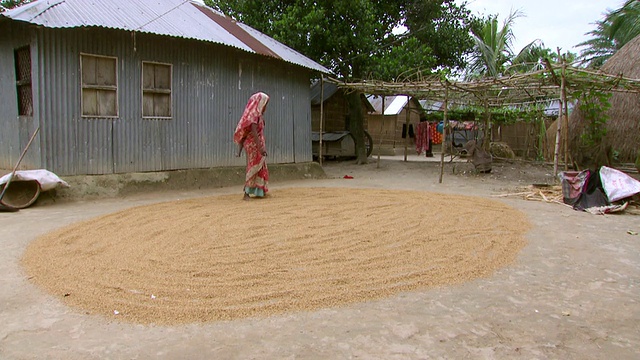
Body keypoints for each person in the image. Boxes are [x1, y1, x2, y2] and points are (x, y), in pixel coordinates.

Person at [234, 92, 270, 200]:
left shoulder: (258, 116)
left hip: (258, 145)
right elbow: (253, 133)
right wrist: (260, 148)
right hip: (253, 146)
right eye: (264, 104)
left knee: (260, 168)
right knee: (252, 168)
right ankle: (246, 192)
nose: (265, 107)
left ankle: (259, 191)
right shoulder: (253, 117)